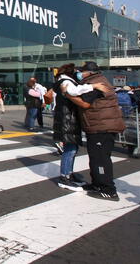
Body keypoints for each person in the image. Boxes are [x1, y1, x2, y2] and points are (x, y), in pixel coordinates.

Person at [69, 61, 125, 201]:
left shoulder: (97, 84)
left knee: (100, 158)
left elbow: (85, 103)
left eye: (82, 71)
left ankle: (108, 190)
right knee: (95, 157)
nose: (79, 73)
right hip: (98, 125)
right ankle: (97, 184)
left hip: (102, 127)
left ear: (89, 72)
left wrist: (68, 95)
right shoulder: (95, 82)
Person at [52, 63, 108, 191]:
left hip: (68, 119)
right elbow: (73, 91)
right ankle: (64, 177)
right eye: (78, 71)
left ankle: (69, 174)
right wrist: (94, 86)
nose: (80, 73)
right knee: (70, 149)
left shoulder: (66, 80)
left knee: (72, 148)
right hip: (67, 120)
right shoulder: (65, 81)